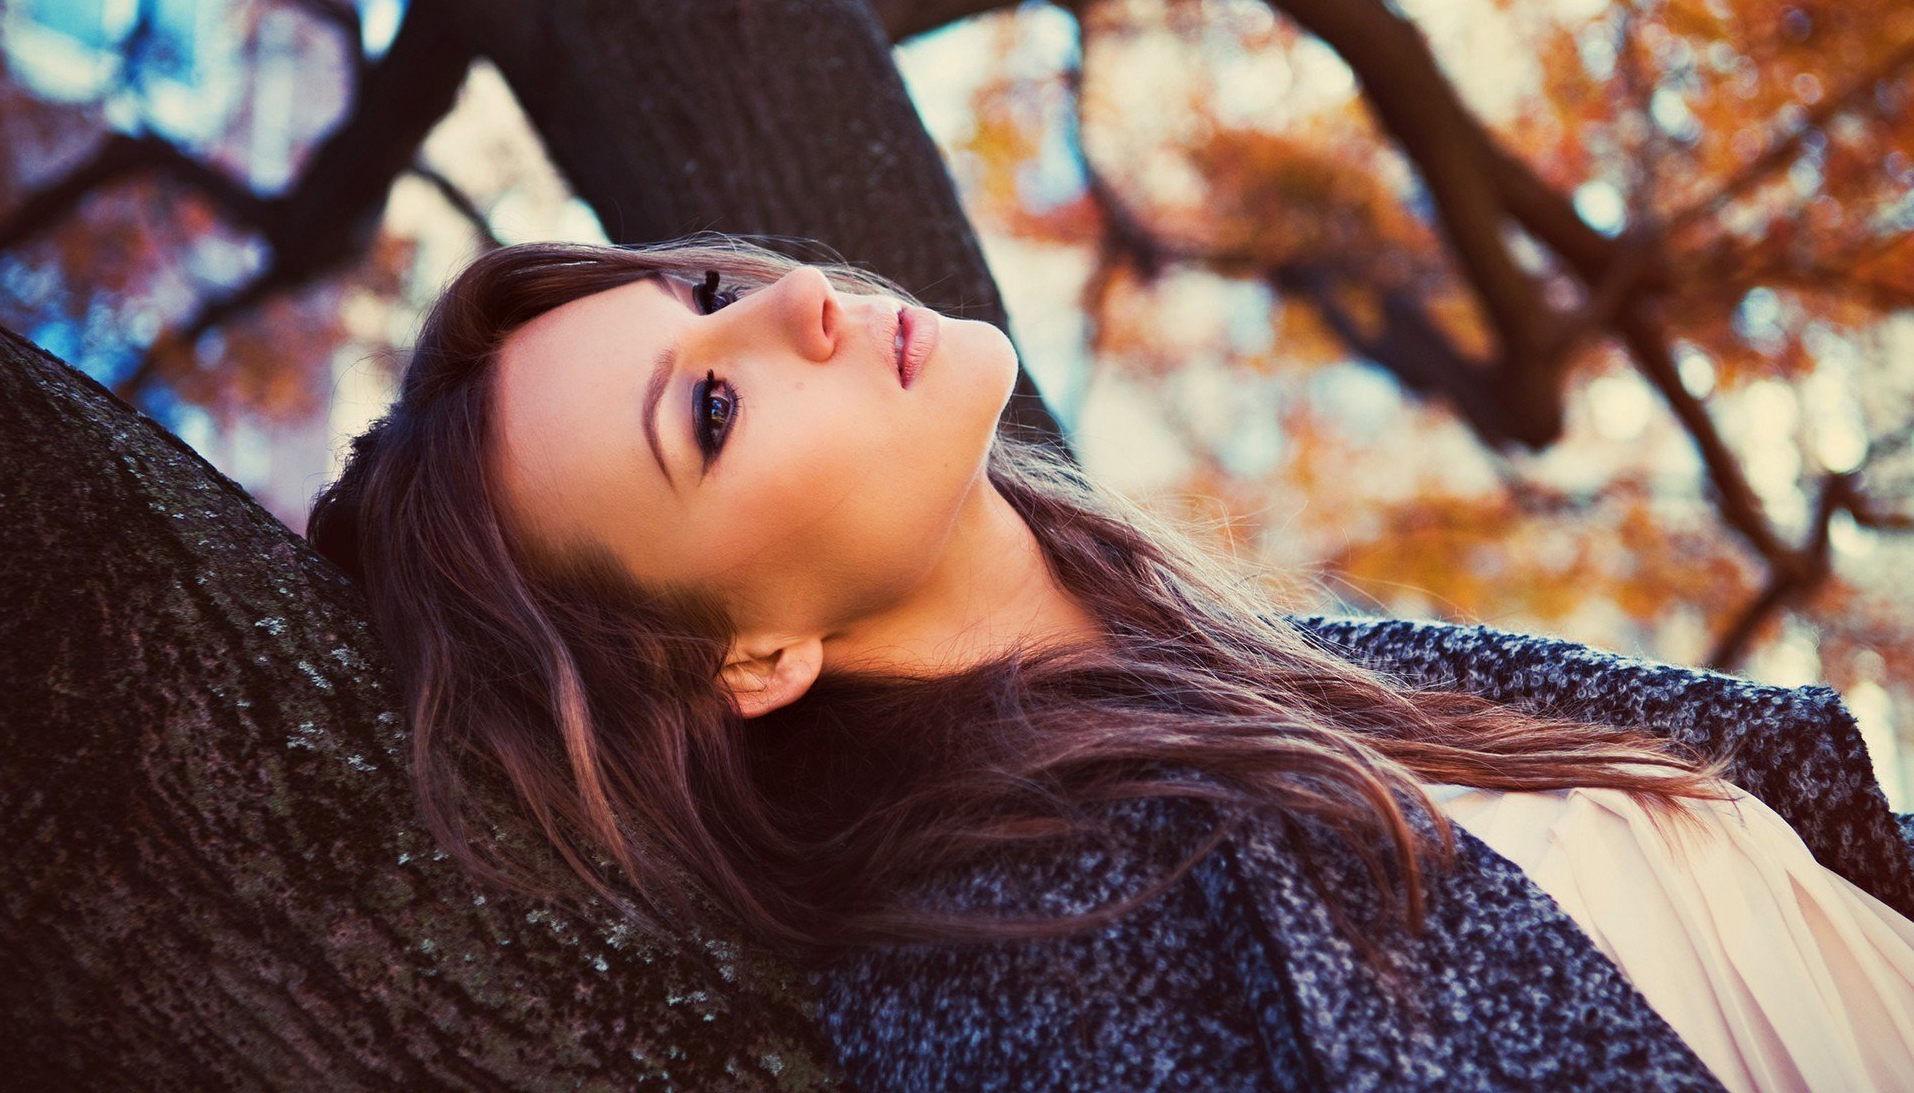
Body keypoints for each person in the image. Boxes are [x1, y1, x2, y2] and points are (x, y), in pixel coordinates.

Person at [307, 234, 1914, 1092]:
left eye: (708, 292)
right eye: (706, 414)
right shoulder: (1038, 978)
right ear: (747, 656)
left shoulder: (1284, 681)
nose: (795, 300)